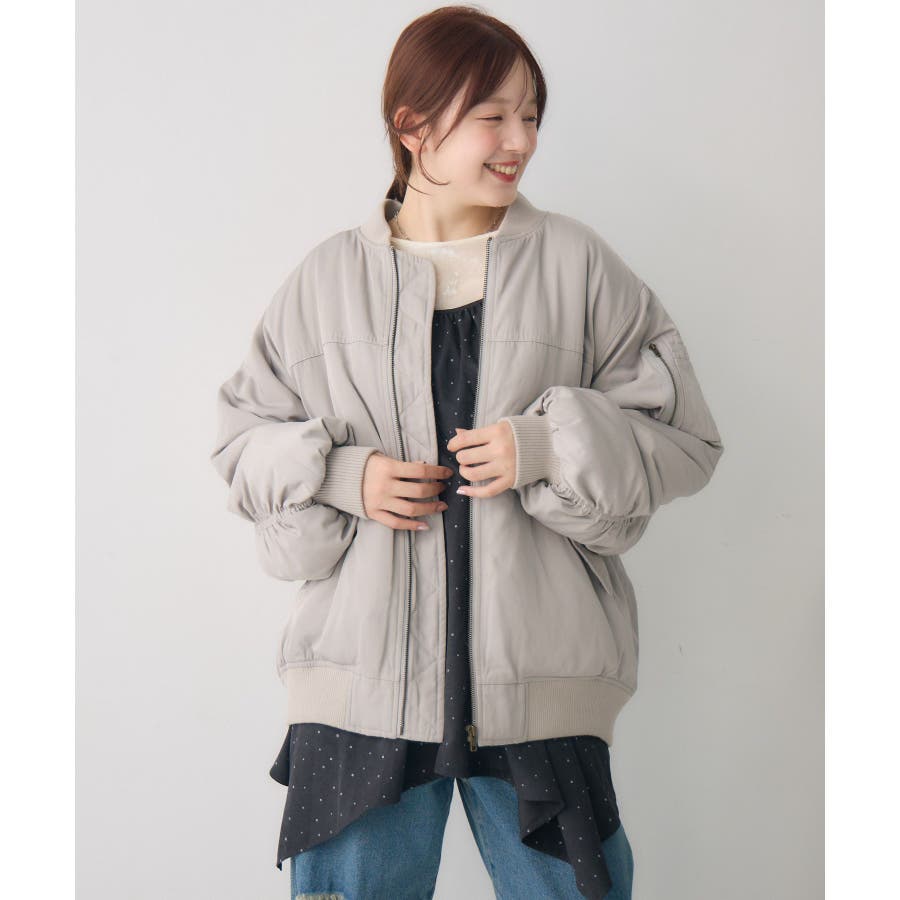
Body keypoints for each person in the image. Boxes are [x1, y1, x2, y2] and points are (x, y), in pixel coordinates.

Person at [210, 5, 725, 899]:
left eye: (532, 114)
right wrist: (342, 475)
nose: (521, 139)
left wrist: (548, 445)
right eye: (494, 114)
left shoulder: (578, 265)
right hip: (359, 688)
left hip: (542, 684)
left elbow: (686, 439)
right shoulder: (327, 279)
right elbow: (239, 443)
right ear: (413, 126)